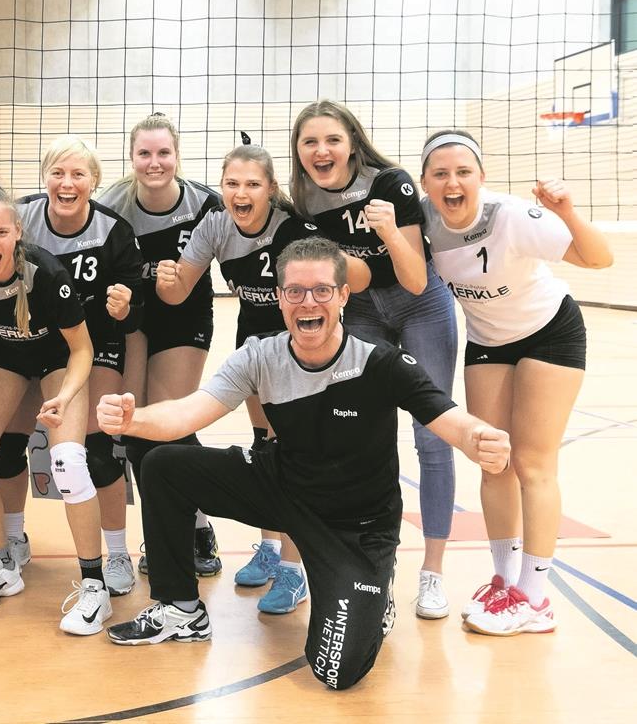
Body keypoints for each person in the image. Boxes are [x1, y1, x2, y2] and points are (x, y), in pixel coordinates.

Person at [98, 236, 511, 690]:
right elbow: (190, 410)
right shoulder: (261, 356)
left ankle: (373, 586)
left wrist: (478, 437)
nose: (307, 301)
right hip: (283, 487)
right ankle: (181, 609)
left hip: (356, 524)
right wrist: (133, 419)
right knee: (163, 465)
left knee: (335, 671)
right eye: (294, 290)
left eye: (321, 290)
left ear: (342, 297)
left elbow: (447, 416)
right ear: (279, 298)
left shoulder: (379, 363)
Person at [156, 143, 369, 612]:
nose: (240, 192)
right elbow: (178, 293)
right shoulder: (214, 225)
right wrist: (165, 278)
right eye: (231, 183)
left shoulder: (292, 231)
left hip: (303, 344)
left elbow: (351, 279)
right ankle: (271, 549)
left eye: (252, 184)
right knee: (264, 447)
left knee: (295, 455)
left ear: (271, 190)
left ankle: (296, 571)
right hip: (256, 341)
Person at [419, 130, 612, 635]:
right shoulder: (422, 220)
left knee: (533, 462)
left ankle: (535, 596)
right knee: (493, 458)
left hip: (550, 332)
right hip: (488, 340)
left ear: (481, 178)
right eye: (440, 173)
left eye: (463, 172)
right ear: (425, 182)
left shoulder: (512, 218)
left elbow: (599, 259)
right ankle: (505, 582)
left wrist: (567, 211)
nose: (452, 182)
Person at [290, 100, 459, 619]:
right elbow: (348, 278)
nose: (322, 151)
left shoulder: (391, 183)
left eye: (332, 140)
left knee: (434, 434)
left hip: (421, 304)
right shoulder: (305, 200)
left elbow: (413, 277)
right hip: (361, 307)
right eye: (310, 142)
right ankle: (372, 568)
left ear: (353, 142)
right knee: (361, 435)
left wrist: (386, 231)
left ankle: (431, 573)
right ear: (299, 152)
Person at [0, 181, 111, 634]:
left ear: (18, 231)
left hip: (58, 361)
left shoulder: (47, 274)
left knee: (69, 462)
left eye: (0, 232)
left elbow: (82, 350)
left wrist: (65, 395)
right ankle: (2, 564)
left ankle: (94, 586)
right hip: (5, 359)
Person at [0, 135, 143, 596]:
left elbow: (137, 306)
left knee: (96, 451)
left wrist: (125, 305)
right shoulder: (21, 218)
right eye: (57, 172)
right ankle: (13, 539)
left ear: (94, 181)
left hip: (88, 347)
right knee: (7, 449)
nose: (67, 183)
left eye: (78, 174)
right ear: (44, 177)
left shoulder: (113, 231)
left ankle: (115, 553)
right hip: (27, 343)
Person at [96, 113, 224, 577]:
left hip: (184, 318)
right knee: (133, 428)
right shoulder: (110, 205)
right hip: (132, 322)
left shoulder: (206, 203)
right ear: (131, 158)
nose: (155, 163)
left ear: (177, 156)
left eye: (163, 153)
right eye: (145, 154)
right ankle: (176, 525)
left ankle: (190, 527)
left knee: (171, 421)